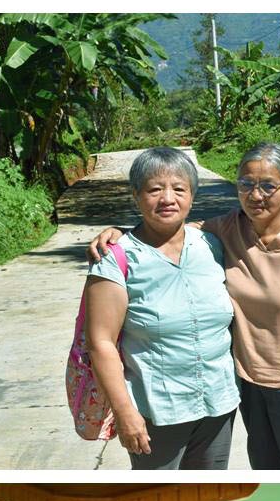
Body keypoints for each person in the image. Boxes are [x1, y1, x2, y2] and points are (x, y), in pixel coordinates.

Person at [88, 143, 280, 469]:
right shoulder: (224, 231)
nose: (256, 195)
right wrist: (119, 236)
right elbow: (166, 229)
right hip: (237, 388)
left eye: (268, 186)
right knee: (260, 470)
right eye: (246, 185)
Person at [83, 147, 238, 469]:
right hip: (156, 411)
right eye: (154, 189)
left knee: (209, 497)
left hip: (219, 402)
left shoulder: (212, 245)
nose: (167, 198)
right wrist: (125, 413)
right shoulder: (116, 258)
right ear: (136, 196)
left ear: (192, 196)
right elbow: (100, 343)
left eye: (179, 189)